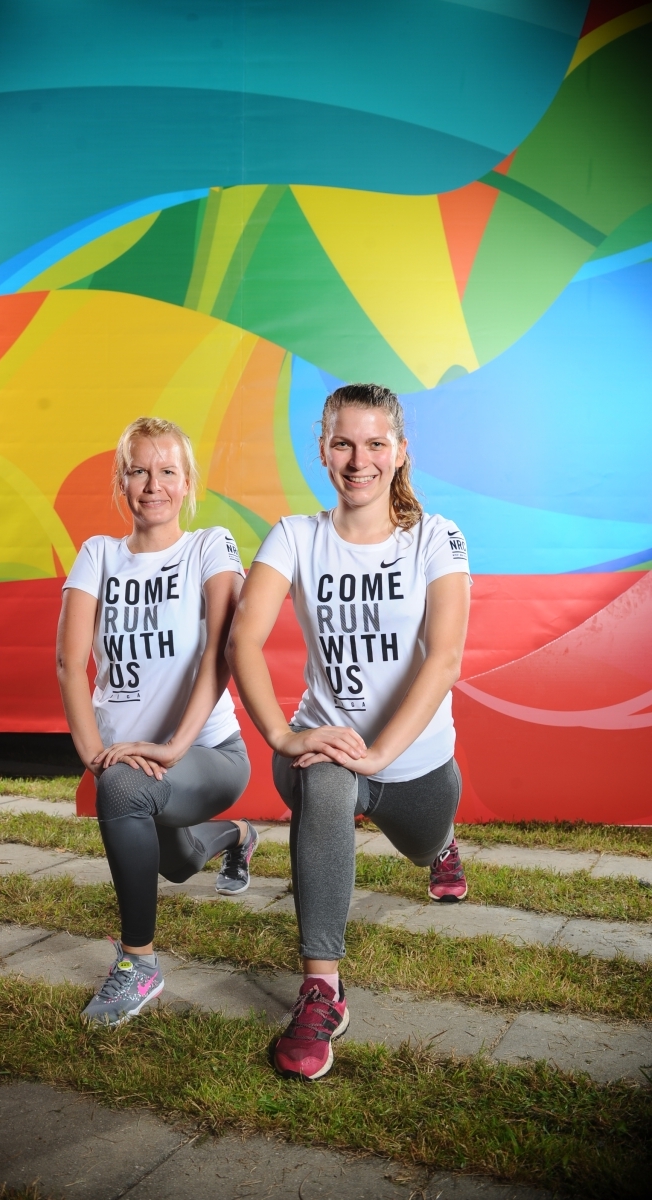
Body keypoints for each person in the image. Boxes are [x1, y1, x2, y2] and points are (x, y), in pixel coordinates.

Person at [226, 384, 471, 1080]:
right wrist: (283, 737)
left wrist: (383, 754)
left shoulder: (436, 536)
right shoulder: (294, 536)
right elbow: (243, 640)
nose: (359, 460)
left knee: (421, 845)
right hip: (325, 741)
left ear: (400, 452)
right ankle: (322, 989)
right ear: (323, 450)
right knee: (326, 781)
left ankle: (441, 845)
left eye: (374, 444)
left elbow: (446, 658)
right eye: (343, 443)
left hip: (415, 764)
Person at [57, 417, 255, 1027]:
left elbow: (222, 651)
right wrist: (94, 756)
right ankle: (237, 837)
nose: (153, 485)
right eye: (139, 471)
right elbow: (69, 663)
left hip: (208, 755)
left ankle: (138, 964)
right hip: (131, 762)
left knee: (126, 792)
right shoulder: (99, 554)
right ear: (122, 480)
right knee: (177, 862)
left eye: (168, 471)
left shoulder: (210, 546)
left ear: (187, 482)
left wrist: (172, 747)